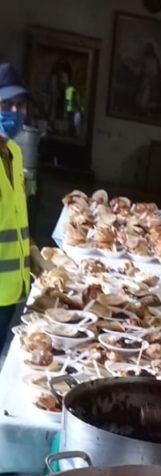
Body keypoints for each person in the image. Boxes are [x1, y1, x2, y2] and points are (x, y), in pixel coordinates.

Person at [0, 62, 38, 350]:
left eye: (20, 105)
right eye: (6, 104)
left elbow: (13, 216)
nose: (14, 112)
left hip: (12, 289)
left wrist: (33, 253)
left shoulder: (14, 152)